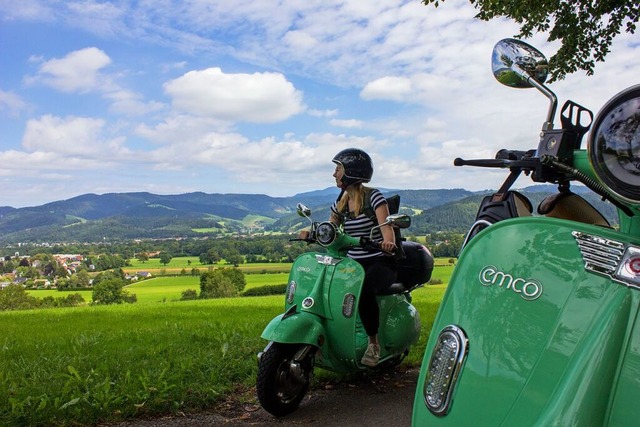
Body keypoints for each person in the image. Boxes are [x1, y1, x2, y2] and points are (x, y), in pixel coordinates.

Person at [327, 148, 398, 367]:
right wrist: (312, 233)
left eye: (338, 169)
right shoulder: (340, 202)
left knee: (365, 290)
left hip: (380, 259)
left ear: (350, 171)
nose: (334, 174)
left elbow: (388, 229)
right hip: (353, 262)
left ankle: (373, 344)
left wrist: (388, 242)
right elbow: (331, 227)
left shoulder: (374, 197)